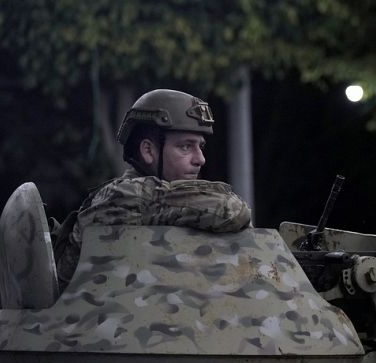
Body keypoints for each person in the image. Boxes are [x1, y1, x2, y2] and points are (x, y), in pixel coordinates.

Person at [54, 89, 251, 287]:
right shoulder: (124, 197)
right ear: (148, 151)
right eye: (186, 147)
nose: (200, 159)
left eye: (200, 146)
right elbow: (231, 210)